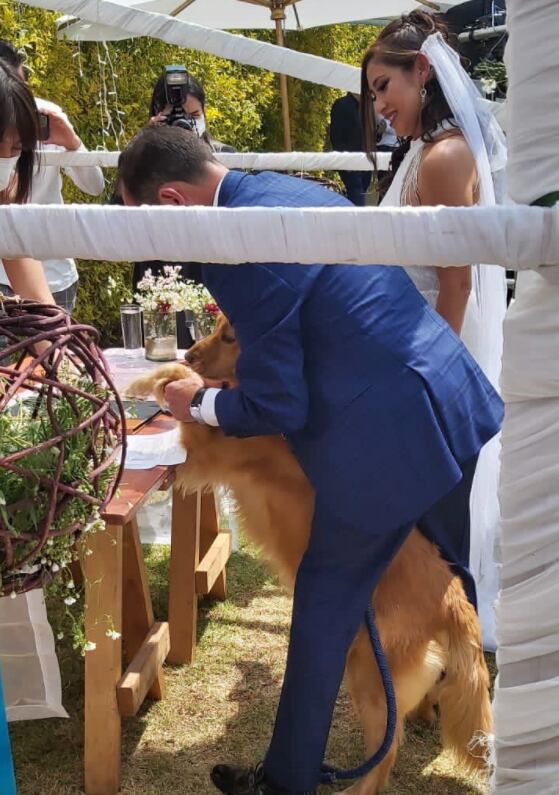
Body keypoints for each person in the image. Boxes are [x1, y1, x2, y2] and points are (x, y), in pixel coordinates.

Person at [117, 125, 503, 795]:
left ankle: (287, 780)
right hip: (445, 396)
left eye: (147, 226)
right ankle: (452, 707)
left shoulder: (239, 246)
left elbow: (277, 403)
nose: (157, 248)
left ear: (173, 203)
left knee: (326, 601)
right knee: (443, 568)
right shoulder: (278, 190)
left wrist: (198, 402)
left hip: (391, 436)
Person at [361, 10, 507, 650]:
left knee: (442, 529)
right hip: (412, 355)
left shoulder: (445, 157)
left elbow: (456, 284)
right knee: (423, 524)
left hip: (434, 362)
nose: (379, 105)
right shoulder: (423, 150)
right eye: (372, 94)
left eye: (382, 87)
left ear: (421, 71)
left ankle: (457, 664)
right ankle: (428, 658)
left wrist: (431, 381)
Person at [131, 69, 235, 347]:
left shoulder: (225, 156)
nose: (186, 123)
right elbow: (120, 212)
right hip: (159, 278)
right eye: (175, 115)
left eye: (194, 115)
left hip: (213, 274)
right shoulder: (141, 160)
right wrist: (146, 145)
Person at [0, 39, 104, 312]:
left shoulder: (49, 115)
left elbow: (94, 186)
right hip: (6, 275)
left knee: (53, 345)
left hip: (55, 273)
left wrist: (72, 143)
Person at [0, 59, 52, 304]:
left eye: (16, 149)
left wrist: (62, 341)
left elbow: (38, 299)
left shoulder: (6, 194)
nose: (6, 159)